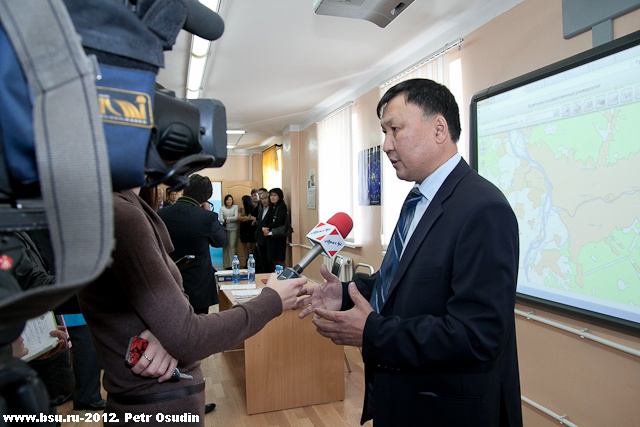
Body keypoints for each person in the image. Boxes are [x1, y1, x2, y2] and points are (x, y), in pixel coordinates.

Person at [294, 78, 522, 427]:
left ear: (439, 129)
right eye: (384, 132)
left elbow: (477, 334)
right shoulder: (417, 200)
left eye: (395, 130)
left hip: (445, 412)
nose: (386, 145)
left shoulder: (483, 209)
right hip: (400, 398)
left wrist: (372, 332)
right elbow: (398, 283)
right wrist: (344, 293)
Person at [77, 182, 306, 426]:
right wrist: (272, 300)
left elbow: (156, 322)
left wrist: (167, 333)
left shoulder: (132, 210)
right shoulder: (122, 214)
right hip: (155, 407)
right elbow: (189, 337)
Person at [158, 174, 228, 314]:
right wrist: (209, 212)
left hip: (169, 279)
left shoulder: (161, 214)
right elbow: (221, 241)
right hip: (198, 284)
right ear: (205, 198)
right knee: (198, 323)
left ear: (184, 190)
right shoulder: (206, 217)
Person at [261, 188, 288, 267]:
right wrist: (264, 228)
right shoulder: (272, 206)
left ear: (279, 196)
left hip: (278, 236)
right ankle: (275, 273)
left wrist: (268, 228)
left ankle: (281, 273)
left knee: (279, 258)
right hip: (270, 235)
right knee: (272, 259)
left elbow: (280, 221)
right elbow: (267, 219)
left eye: (275, 195)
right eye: (271, 195)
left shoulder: (282, 206)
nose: (272, 197)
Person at [254, 189, 272, 273]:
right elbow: (259, 226)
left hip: (269, 239)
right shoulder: (261, 210)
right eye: (262, 199)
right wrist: (257, 239)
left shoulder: (272, 209)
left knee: (269, 262)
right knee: (262, 261)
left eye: (265, 198)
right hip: (260, 239)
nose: (264, 201)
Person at [219, 194, 239, 269]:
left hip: (234, 229)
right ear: (225, 201)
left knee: (232, 246)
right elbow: (221, 219)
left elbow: (236, 217)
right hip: (225, 230)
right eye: (227, 200)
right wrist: (230, 219)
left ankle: (232, 264)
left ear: (232, 200)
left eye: (230, 200)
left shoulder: (235, 207)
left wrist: (226, 218)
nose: (229, 201)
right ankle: (226, 265)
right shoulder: (222, 208)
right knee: (225, 246)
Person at [238, 194, 257, 262]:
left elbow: (247, 219)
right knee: (245, 246)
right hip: (243, 228)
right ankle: (246, 261)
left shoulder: (252, 209)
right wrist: (245, 218)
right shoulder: (241, 209)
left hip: (250, 228)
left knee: (250, 247)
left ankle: (252, 261)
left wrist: (244, 218)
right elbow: (238, 218)